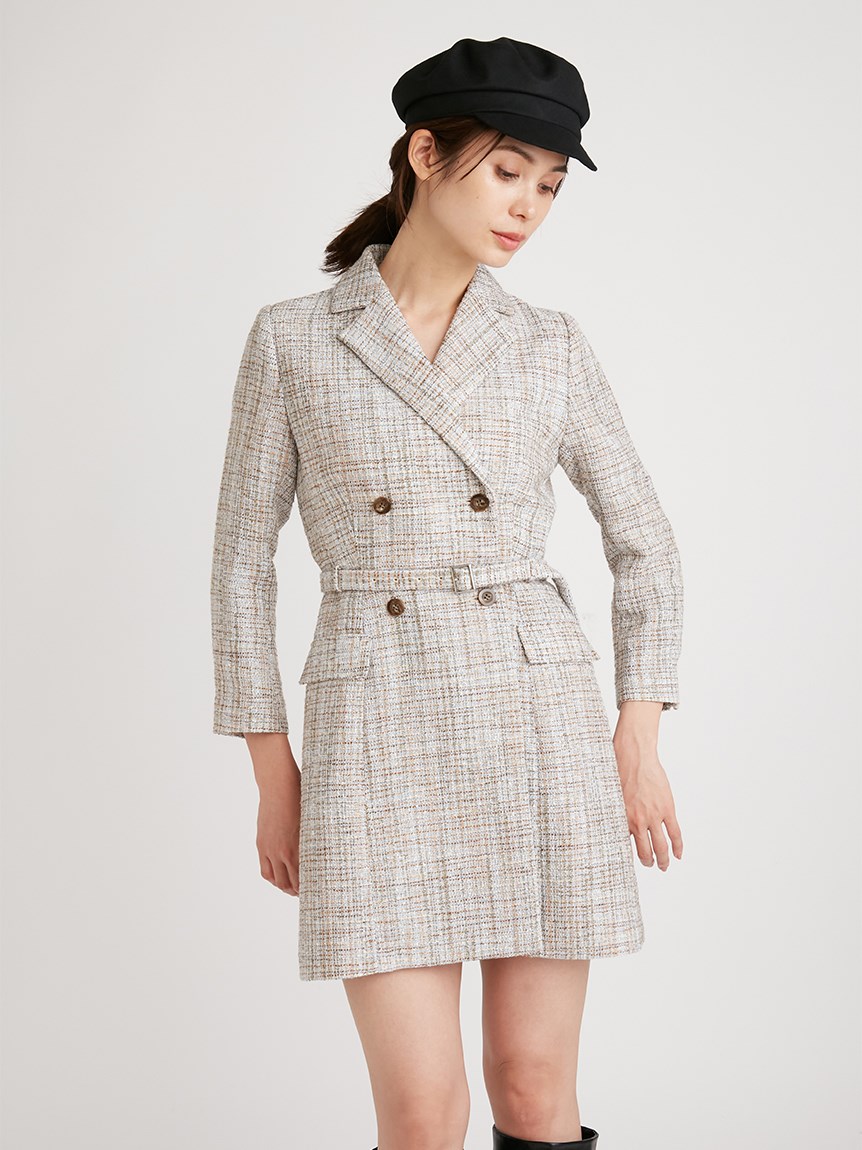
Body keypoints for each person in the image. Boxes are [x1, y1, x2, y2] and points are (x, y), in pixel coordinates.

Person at [210, 35, 684, 1150]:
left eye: (550, 185)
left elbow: (647, 543)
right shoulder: (293, 339)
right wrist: (273, 772)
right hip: (375, 723)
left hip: (536, 719)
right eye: (509, 170)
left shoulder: (548, 346)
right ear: (426, 155)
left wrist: (637, 732)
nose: (528, 207)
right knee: (423, 1114)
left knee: (532, 1088)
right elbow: (238, 562)